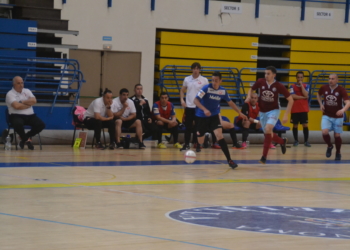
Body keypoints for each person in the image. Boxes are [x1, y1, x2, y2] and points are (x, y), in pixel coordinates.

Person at [193, 71, 247, 169]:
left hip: (214, 116)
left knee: (219, 136)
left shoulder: (223, 91)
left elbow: (230, 103)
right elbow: (195, 100)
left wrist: (239, 112)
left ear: (220, 81)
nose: (214, 82)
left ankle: (230, 160)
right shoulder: (206, 88)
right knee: (200, 141)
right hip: (202, 116)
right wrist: (204, 109)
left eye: (216, 80)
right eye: (213, 80)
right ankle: (203, 137)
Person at [245, 66, 294, 164]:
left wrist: (286, 115)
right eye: (265, 73)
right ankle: (282, 142)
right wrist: (248, 96)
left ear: (274, 75)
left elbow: (291, 100)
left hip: (274, 110)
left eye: (268, 74)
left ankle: (264, 157)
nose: (266, 75)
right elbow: (251, 89)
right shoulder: (260, 81)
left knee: (268, 129)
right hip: (262, 112)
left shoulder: (278, 85)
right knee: (268, 133)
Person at [5, 76, 45, 150]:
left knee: (41, 124)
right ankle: (27, 140)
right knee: (18, 124)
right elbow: (16, 106)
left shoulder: (27, 91)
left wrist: (22, 102)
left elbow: (34, 101)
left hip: (30, 115)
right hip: (16, 115)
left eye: (22, 83)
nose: (21, 85)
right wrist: (28, 105)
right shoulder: (10, 94)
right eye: (18, 83)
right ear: (14, 84)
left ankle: (23, 138)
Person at [316, 74, 350, 161]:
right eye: (329, 79)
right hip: (326, 114)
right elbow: (318, 95)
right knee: (324, 132)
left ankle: (338, 152)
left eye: (333, 79)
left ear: (337, 80)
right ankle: (329, 146)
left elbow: (348, 102)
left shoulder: (341, 90)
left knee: (337, 135)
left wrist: (343, 110)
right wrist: (321, 104)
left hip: (338, 116)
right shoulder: (324, 87)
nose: (330, 80)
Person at [179, 62, 209, 151]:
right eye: (194, 68)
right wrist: (181, 99)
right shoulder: (187, 79)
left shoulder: (204, 80)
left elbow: (207, 92)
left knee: (198, 127)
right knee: (188, 126)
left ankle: (198, 145)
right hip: (189, 106)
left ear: (199, 70)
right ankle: (187, 144)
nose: (196, 70)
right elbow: (182, 90)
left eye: (197, 68)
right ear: (192, 69)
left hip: (199, 107)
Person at [289, 71, 311, 147]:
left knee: (305, 125)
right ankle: (296, 140)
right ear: (296, 78)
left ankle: (306, 141)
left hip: (303, 109)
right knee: (295, 125)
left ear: (303, 78)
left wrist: (301, 85)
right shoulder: (292, 86)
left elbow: (306, 94)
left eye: (301, 77)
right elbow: (293, 96)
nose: (300, 79)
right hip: (295, 109)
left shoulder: (306, 86)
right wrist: (303, 97)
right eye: (298, 77)